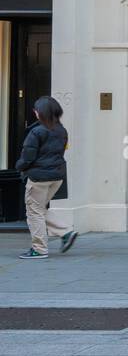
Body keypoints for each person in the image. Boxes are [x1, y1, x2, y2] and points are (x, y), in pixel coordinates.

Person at [16, 96, 77, 259]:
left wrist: (19, 166)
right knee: (39, 208)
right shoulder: (61, 130)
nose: (35, 112)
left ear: (41, 112)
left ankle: (39, 249)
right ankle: (65, 233)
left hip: (38, 177)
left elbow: (27, 157)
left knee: (34, 212)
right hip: (57, 176)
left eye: (36, 110)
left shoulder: (36, 131)